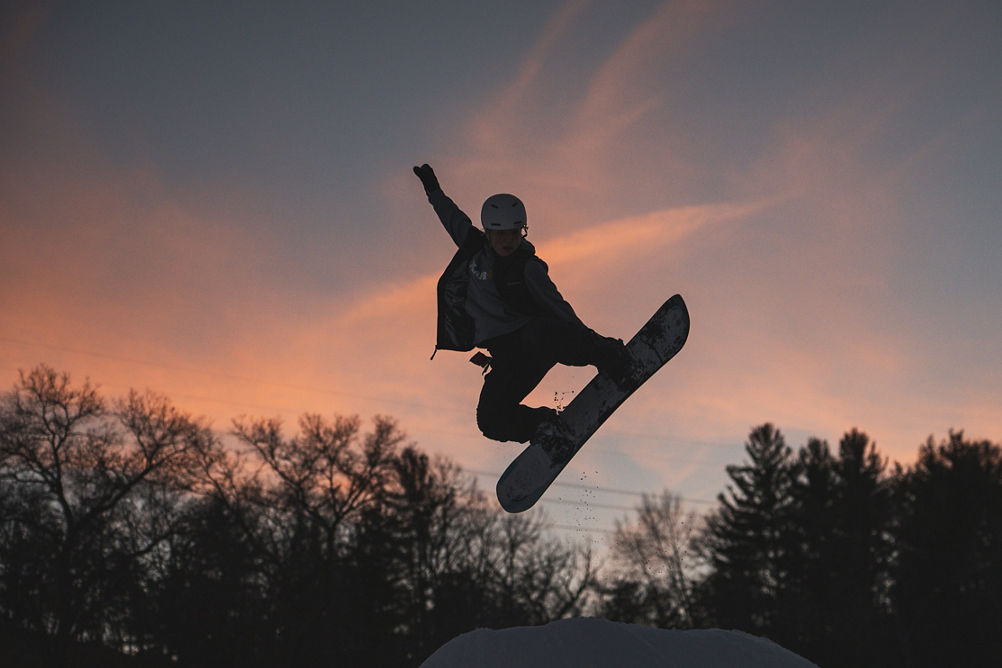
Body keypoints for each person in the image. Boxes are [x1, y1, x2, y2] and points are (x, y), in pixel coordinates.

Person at [414, 163, 632, 444]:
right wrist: (433, 190)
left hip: (532, 344)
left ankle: (611, 357)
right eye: (500, 234)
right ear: (488, 233)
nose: (507, 241)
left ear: (522, 232)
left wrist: (596, 344)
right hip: (506, 359)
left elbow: (559, 308)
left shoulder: (528, 268)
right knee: (490, 419)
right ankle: (543, 427)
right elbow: (452, 218)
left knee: (544, 330)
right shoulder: (473, 249)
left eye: (514, 233)